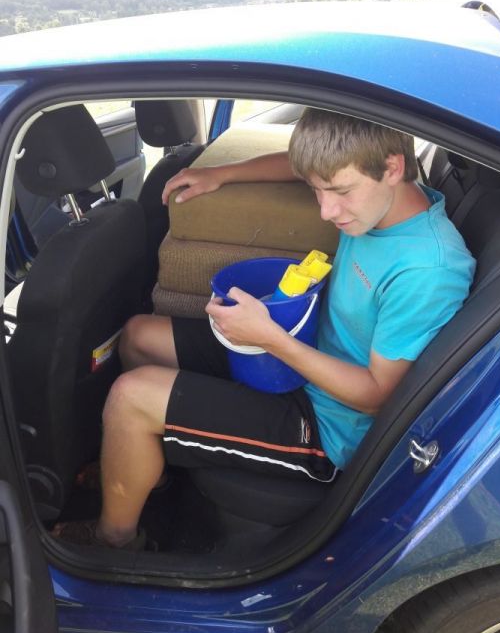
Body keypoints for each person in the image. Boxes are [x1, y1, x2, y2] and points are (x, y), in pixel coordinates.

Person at [54, 108, 475, 550]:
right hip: (304, 359)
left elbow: (377, 397)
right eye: (317, 190)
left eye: (339, 192)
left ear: (392, 167)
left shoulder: (427, 269)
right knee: (140, 336)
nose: (327, 211)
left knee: (130, 397)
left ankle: (115, 539)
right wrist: (220, 175)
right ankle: (146, 472)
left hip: (329, 428)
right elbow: (302, 166)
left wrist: (270, 338)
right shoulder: (380, 194)